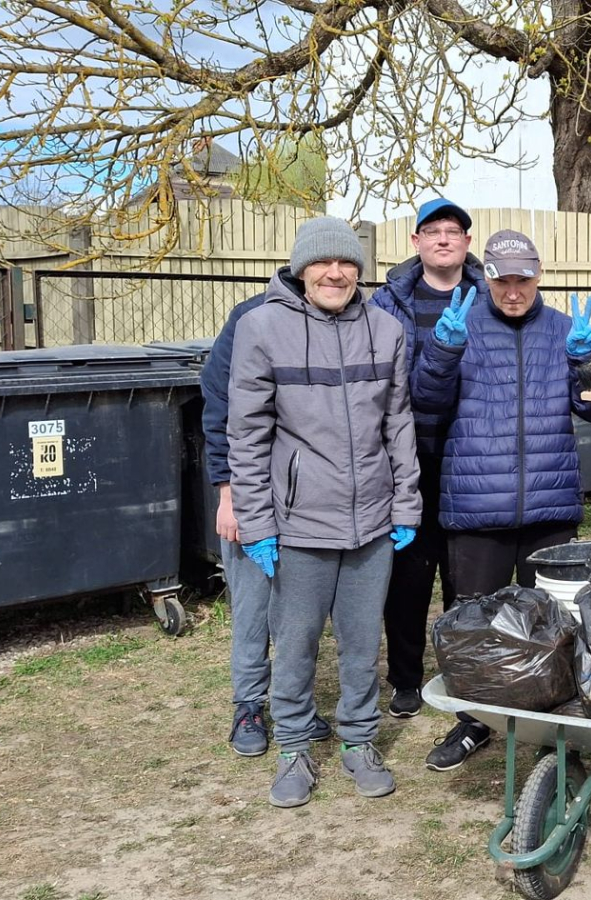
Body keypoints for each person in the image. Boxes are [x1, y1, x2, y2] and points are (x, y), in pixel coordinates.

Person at [227, 216, 423, 808]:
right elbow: (248, 432)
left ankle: (360, 742)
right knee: (297, 642)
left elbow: (399, 425)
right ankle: (291, 749)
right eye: (323, 264)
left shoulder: (385, 331)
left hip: (371, 523)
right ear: (301, 269)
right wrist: (258, 523)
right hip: (299, 523)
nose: (335, 274)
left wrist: (406, 504)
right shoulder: (260, 329)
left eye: (346, 264)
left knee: (363, 645)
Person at [414, 229, 591, 771]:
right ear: (487, 276)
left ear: (538, 276)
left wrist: (585, 366)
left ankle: (556, 730)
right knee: (477, 627)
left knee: (557, 625)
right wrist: (443, 351)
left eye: (523, 279)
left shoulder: (565, 330)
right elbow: (426, 402)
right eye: (502, 279)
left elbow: (590, 409)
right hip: (476, 506)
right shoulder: (461, 328)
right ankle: (474, 723)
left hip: (549, 504)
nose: (513, 291)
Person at [369, 197, 490, 719]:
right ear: (416, 243)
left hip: (470, 457)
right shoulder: (387, 302)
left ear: (467, 243)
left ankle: (463, 674)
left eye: (454, 231)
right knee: (409, 577)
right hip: (408, 460)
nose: (444, 238)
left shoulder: (490, 297)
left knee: (467, 580)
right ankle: (406, 679)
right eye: (433, 231)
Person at [204, 298, 331, 758]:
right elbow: (219, 408)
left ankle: (293, 702)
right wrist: (228, 496)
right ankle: (249, 706)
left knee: (300, 614)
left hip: (308, 501)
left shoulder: (338, 321)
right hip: (251, 493)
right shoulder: (250, 317)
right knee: (254, 608)